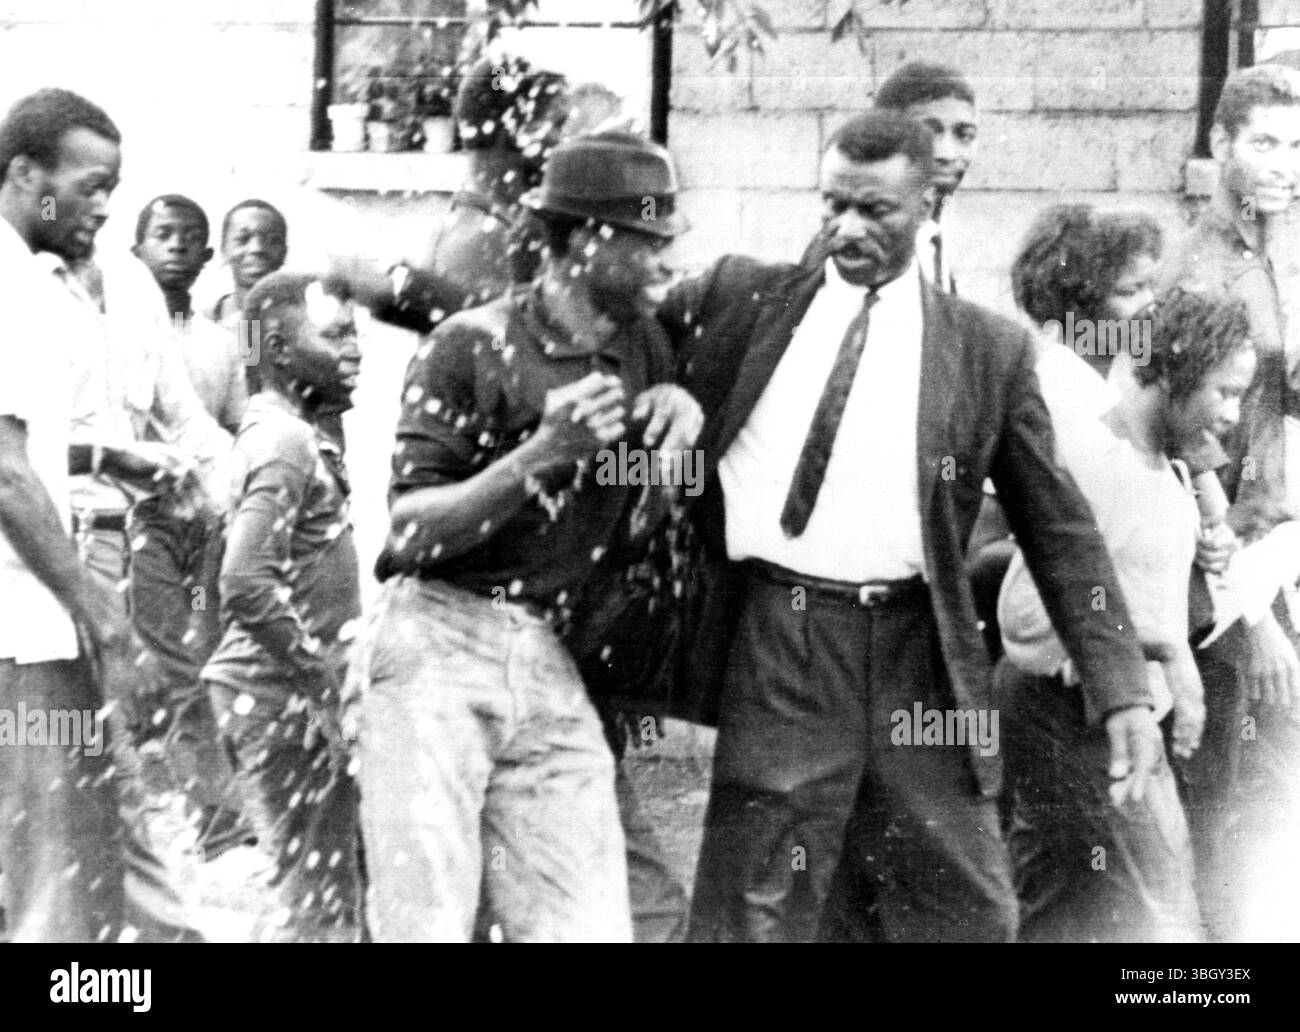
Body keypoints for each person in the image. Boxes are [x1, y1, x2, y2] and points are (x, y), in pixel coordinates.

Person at [659, 110, 1160, 943]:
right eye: (834, 204)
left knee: (967, 903)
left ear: (927, 204)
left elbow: (1060, 529)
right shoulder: (738, 300)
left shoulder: (983, 350)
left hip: (916, 651)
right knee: (759, 904)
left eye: (875, 211)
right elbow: (622, 338)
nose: (847, 228)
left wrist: (1122, 688)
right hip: (783, 644)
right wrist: (662, 394)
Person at [349, 131, 701, 942]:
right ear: (581, 241)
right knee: (424, 922)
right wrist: (541, 455)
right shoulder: (469, 344)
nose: (667, 263)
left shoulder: (641, 343)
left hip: (548, 657)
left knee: (586, 927)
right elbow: (409, 534)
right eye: (650, 242)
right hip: (437, 644)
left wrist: (684, 413)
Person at [0, 87, 201, 943]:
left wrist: (112, 458)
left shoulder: (39, 281)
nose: (106, 206)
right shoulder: (9, 285)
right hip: (24, 632)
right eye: (91, 186)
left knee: (71, 853)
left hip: (32, 620)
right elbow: (7, 479)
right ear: (23, 175)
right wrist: (107, 624)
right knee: (59, 888)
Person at [998, 287, 1257, 942]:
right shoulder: (1098, 461)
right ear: (1171, 373)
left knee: (1055, 906)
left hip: (1108, 717)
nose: (1232, 415)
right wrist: (1167, 649)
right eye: (1223, 393)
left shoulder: (1158, 459)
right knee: (1167, 918)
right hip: (1082, 724)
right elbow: (1025, 618)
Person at [1163, 63, 1300, 940]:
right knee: (1231, 814)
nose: (1286, 164)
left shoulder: (1287, 253)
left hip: (1286, 555)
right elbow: (1181, 448)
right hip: (1224, 581)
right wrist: (1248, 612)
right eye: (1265, 143)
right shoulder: (1193, 276)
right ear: (1219, 148)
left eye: (1298, 145)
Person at [200, 271, 365, 942]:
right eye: (334, 336)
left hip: (282, 696)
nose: (355, 350)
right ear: (281, 350)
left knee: (332, 881)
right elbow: (244, 581)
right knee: (316, 894)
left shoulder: (301, 434)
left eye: (355, 333)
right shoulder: (284, 443)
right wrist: (320, 682)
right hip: (279, 701)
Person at [965, 204, 1162, 657]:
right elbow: (989, 550)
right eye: (1131, 290)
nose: (1150, 305)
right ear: (1077, 306)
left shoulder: (1113, 383)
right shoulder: (1052, 392)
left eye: (1151, 285)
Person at [130, 193, 251, 858]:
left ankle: (209, 801)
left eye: (189, 238)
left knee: (205, 655)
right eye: (162, 235)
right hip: (141, 520)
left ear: (208, 257)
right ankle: (212, 811)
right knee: (172, 662)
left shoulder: (221, 343)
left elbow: (232, 426)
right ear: (137, 250)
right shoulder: (115, 334)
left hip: (206, 522)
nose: (175, 247)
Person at [344, 56, 569, 337]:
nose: (568, 142)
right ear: (516, 130)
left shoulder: (501, 227)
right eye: (558, 125)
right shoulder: (477, 242)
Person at [800, 61, 977, 294]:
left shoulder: (932, 236)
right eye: (930, 133)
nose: (948, 154)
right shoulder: (852, 246)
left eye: (964, 135)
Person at [207, 198, 289, 330]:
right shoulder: (202, 322)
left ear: (284, 252)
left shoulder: (305, 321)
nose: (257, 248)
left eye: (272, 240)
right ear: (224, 249)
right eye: (243, 239)